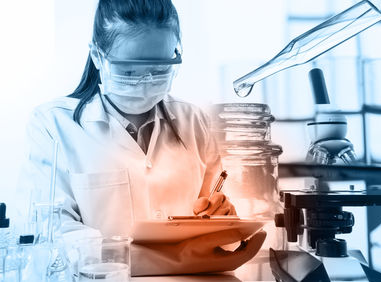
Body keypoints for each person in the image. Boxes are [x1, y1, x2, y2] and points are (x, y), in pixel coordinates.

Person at [17, 0, 266, 276]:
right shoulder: (53, 125)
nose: (146, 81)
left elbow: (218, 232)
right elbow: (54, 236)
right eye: (129, 71)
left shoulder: (194, 122)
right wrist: (173, 259)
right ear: (98, 56)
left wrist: (223, 221)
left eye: (160, 69)